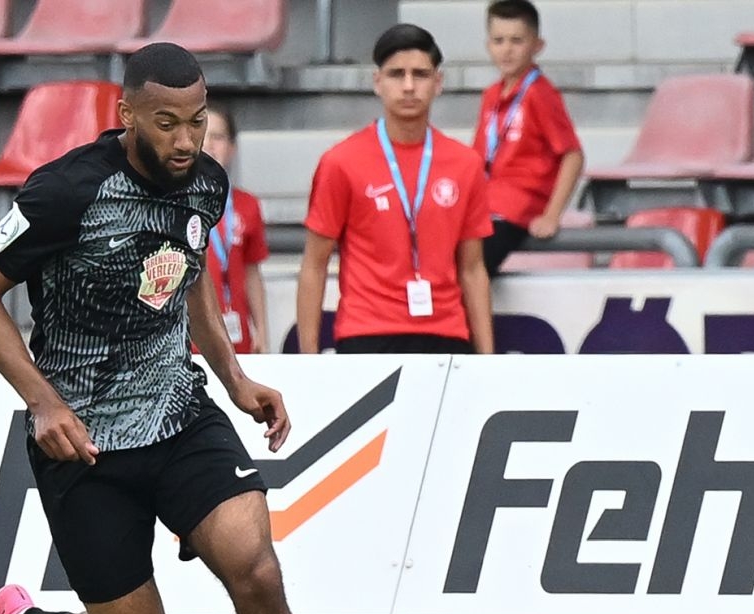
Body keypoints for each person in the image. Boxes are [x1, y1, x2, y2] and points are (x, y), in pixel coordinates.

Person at [0, 42, 314, 614]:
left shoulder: (207, 183)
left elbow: (190, 270)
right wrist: (42, 402)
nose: (186, 140)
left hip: (180, 414)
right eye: (167, 123)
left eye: (198, 122)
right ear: (126, 116)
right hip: (83, 446)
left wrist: (232, 375)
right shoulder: (65, 192)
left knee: (258, 573)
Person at [295, 23, 495, 356]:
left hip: (446, 333)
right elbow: (314, 264)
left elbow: (473, 269)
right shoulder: (341, 162)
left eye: (420, 74)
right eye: (396, 74)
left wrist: (488, 359)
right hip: (367, 333)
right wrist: (309, 359)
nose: (408, 86)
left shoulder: (466, 164)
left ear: (438, 83)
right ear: (378, 82)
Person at [476, 0, 585, 275]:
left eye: (517, 41)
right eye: (499, 41)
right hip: (484, 206)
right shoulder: (491, 95)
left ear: (537, 45)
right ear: (488, 45)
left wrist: (552, 215)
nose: (507, 49)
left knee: (470, 269)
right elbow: (478, 157)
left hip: (514, 211)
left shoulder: (540, 94)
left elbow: (572, 155)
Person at [201, 104, 271, 354]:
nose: (208, 145)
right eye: (201, 135)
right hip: (190, 339)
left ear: (232, 147)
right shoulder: (172, 204)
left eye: (217, 137)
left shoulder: (247, 205)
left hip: (237, 336)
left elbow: (252, 273)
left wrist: (261, 330)